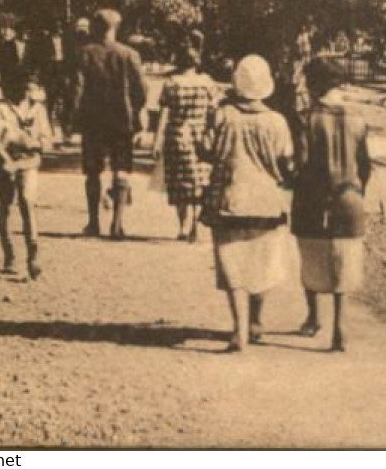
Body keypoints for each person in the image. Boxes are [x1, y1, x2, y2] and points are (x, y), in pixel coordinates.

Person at [204, 54, 298, 353]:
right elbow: (287, 158)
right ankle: (257, 320)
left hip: (230, 197)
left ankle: (239, 329)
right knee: (262, 263)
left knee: (232, 265)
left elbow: (207, 150)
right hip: (267, 200)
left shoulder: (222, 115)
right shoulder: (276, 121)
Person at [290, 57, 371, 352]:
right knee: (343, 261)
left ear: (313, 84)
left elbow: (299, 163)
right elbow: (365, 167)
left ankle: (314, 318)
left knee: (311, 259)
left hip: (313, 198)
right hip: (349, 197)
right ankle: (340, 327)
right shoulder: (358, 119)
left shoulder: (306, 118)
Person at [72, 8, 148, 239]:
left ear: (96, 27)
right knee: (121, 168)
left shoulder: (84, 53)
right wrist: (136, 111)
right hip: (122, 120)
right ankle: (117, 223)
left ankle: (93, 222)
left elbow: (77, 88)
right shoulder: (129, 55)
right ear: (116, 28)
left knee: (93, 171)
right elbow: (141, 90)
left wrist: (73, 119)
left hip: (93, 120)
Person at [0, 69, 54, 280]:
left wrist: (32, 143)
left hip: (29, 162)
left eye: (30, 89)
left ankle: (33, 255)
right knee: (6, 204)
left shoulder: (38, 111)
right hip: (4, 163)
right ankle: (9, 254)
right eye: (23, 88)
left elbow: (48, 141)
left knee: (27, 202)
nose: (26, 93)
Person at [153, 30, 221, 242]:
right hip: (201, 137)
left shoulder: (172, 84)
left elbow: (164, 114)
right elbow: (214, 112)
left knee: (180, 182)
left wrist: (157, 141)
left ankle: (183, 224)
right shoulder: (208, 83)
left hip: (176, 136)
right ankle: (194, 223)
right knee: (199, 179)